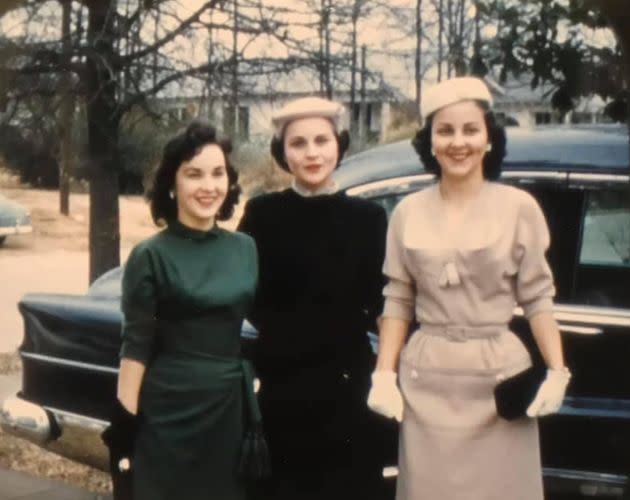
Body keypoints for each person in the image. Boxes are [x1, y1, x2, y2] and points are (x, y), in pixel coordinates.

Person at [367, 77, 571, 500]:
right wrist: (384, 374)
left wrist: (556, 370)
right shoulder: (407, 212)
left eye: (470, 129)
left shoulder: (519, 208)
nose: (458, 142)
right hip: (427, 384)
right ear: (430, 142)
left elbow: (537, 297)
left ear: (489, 139)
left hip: (498, 381)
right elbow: (399, 299)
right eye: (445, 131)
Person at [238, 97, 391, 500]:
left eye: (322, 140)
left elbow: (385, 304)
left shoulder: (369, 219)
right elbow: (243, 293)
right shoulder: (262, 214)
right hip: (281, 393)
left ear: (339, 145)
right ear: (282, 152)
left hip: (349, 392)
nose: (312, 153)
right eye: (299, 143)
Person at [112, 122, 259, 500]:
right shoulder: (150, 255)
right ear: (172, 184)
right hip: (167, 413)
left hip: (229, 410)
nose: (208, 186)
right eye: (194, 174)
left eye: (217, 173)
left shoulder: (245, 248)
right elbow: (136, 345)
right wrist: (124, 423)